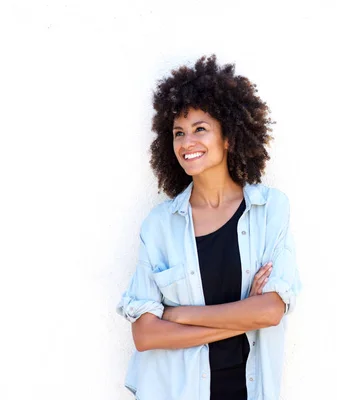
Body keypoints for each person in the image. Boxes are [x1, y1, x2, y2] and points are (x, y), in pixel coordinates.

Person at [116, 54, 301, 400]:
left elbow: (271, 310)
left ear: (228, 136)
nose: (187, 143)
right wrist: (244, 314)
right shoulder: (159, 227)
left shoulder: (269, 211)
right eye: (178, 133)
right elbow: (144, 335)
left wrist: (178, 315)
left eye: (200, 129)